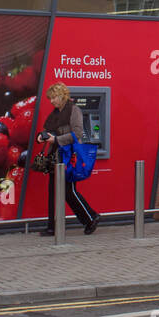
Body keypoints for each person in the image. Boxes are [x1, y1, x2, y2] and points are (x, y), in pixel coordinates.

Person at [39, 82, 99, 235]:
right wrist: (42, 136)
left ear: (62, 95)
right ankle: (52, 227)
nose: (51, 101)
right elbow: (48, 130)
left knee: (68, 191)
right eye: (50, 99)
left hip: (67, 156)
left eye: (53, 98)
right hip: (55, 157)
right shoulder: (55, 113)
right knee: (54, 192)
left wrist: (57, 139)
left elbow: (77, 133)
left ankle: (91, 217)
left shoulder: (74, 110)